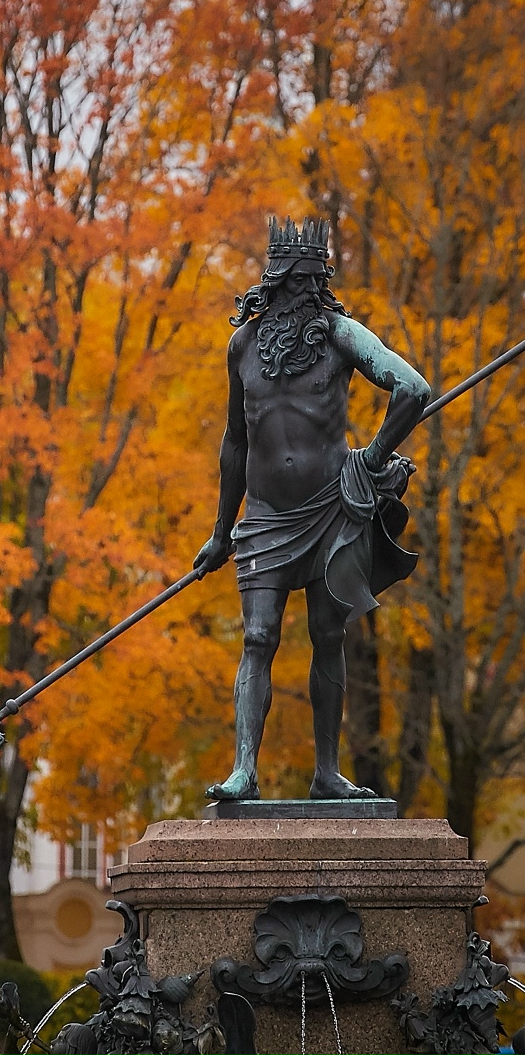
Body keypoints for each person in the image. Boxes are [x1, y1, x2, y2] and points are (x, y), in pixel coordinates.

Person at [194, 216, 430, 802]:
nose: (297, 292)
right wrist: (221, 531)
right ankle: (244, 770)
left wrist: (372, 460)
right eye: (288, 282)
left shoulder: (342, 336)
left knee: (328, 634)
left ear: (319, 283)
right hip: (266, 518)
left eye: (307, 282)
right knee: (258, 636)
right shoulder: (242, 345)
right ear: (271, 282)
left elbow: (413, 390)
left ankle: (327, 771)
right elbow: (234, 441)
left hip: (333, 509)